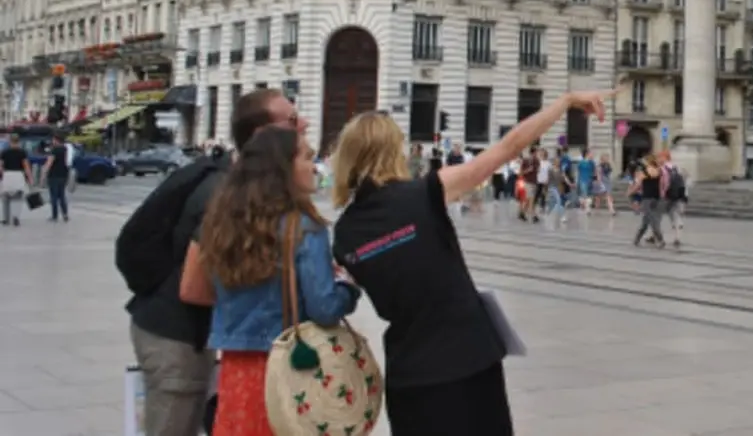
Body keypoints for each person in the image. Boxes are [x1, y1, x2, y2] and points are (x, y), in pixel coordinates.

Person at [331, 90, 613, 435]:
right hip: (466, 360)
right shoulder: (424, 193)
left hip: (409, 374)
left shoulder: (345, 233)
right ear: (392, 150)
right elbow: (507, 148)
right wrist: (564, 102)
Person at [127, 89, 303, 436]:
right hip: (175, 339)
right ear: (261, 136)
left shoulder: (235, 184)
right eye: (293, 122)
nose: (305, 125)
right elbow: (193, 287)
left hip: (182, 333)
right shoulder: (223, 194)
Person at [181, 126, 360, 434]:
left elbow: (206, 289)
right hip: (291, 371)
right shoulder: (304, 228)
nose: (313, 166)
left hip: (236, 371)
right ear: (284, 168)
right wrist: (348, 287)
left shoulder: (222, 222)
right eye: (306, 157)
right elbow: (324, 308)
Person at [631, 154, 666, 248]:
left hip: (647, 198)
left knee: (651, 219)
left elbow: (638, 183)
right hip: (656, 197)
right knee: (646, 220)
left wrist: (631, 192)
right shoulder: (658, 170)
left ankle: (660, 239)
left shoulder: (646, 171)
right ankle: (636, 239)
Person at [1, 131, 32, 226]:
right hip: (18, 175)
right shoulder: (22, 152)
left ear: (10, 141)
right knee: (17, 198)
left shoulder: (4, 152)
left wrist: (2, 176)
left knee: (5, 198)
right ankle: (16, 218)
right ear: (18, 141)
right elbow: (26, 166)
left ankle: (6, 219)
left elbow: (0, 166)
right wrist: (30, 178)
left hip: (7, 175)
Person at [40, 132, 71, 222]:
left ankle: (54, 216)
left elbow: (49, 162)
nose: (52, 141)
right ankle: (65, 214)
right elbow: (66, 162)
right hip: (63, 174)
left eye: (53, 139)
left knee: (54, 196)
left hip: (54, 175)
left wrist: (43, 173)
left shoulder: (54, 150)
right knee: (61, 196)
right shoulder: (65, 149)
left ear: (56, 140)